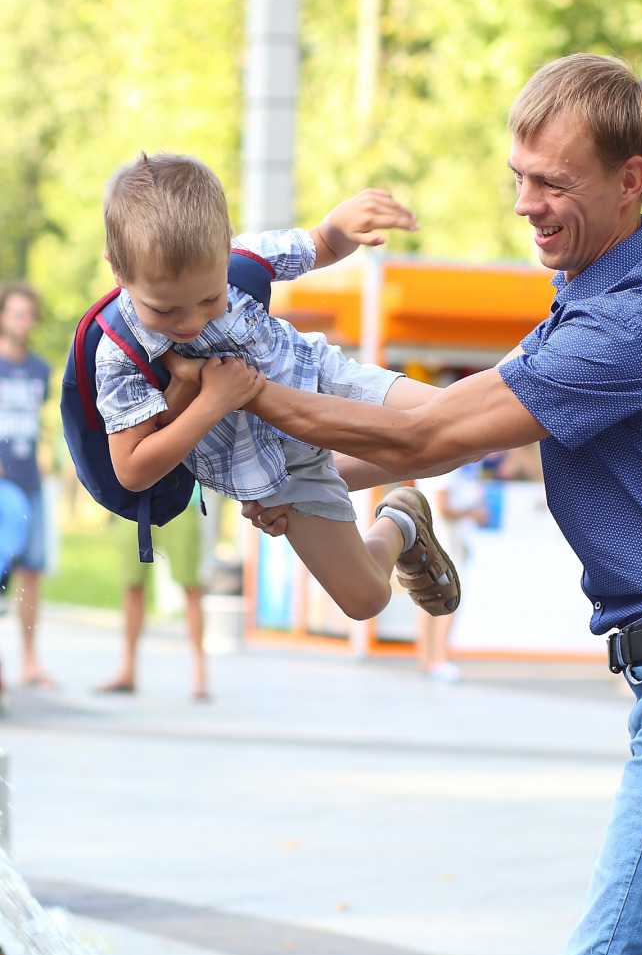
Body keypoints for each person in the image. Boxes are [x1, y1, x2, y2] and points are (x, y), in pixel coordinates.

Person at [239, 54, 642, 955]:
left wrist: (243, 404)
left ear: (629, 180)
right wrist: (282, 481)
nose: (524, 203)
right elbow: (448, 429)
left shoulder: (636, 320)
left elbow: (429, 434)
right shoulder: (597, 296)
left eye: (552, 182)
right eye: (518, 177)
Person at [96, 153, 460, 632]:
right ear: (118, 272)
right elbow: (132, 469)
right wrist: (211, 403)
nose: (188, 323)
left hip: (320, 379)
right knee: (365, 597)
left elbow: (320, 243)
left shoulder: (240, 259)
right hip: (275, 467)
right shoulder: (120, 354)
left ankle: (537, 368)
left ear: (224, 250)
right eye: (164, 310)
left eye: (209, 300)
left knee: (457, 427)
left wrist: (343, 225)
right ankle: (401, 522)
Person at [96, 494, 208, 700]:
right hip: (134, 497)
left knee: (190, 586)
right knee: (132, 584)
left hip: (181, 494)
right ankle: (127, 670)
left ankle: (200, 673)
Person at [0, 282, 57, 688]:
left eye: (28, 314)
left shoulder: (41, 370)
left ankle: (30, 661)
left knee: (31, 572)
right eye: (15, 312)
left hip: (30, 483)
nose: (22, 320)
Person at [415, 462, 488, 682]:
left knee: (428, 602)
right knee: (449, 600)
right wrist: (471, 511)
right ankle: (439, 659)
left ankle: (427, 660)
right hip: (446, 546)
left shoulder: (428, 463)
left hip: (430, 543)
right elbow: (442, 506)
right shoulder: (445, 467)